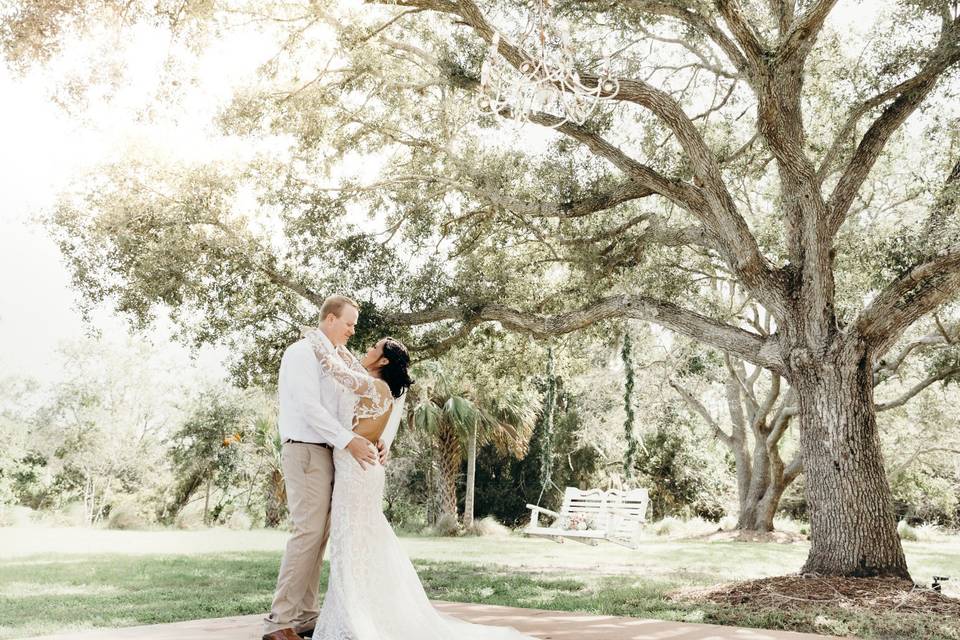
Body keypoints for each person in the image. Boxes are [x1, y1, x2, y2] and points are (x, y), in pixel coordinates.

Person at [301, 326, 535, 640]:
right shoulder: (371, 382)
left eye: (374, 347)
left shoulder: (375, 388)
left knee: (351, 543)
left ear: (383, 362)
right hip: (355, 470)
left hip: (358, 474)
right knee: (354, 543)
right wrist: (334, 343)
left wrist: (316, 335)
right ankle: (355, 612)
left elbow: (334, 367)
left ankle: (355, 620)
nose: (367, 349)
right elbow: (346, 363)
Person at [263, 295, 387, 639]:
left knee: (319, 536)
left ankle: (304, 614)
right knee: (306, 534)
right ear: (330, 319)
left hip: (330, 453)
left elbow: (346, 411)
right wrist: (348, 440)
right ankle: (278, 622)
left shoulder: (338, 361)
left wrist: (372, 439)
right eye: (348, 323)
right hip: (305, 450)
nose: (352, 329)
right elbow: (308, 407)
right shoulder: (302, 353)